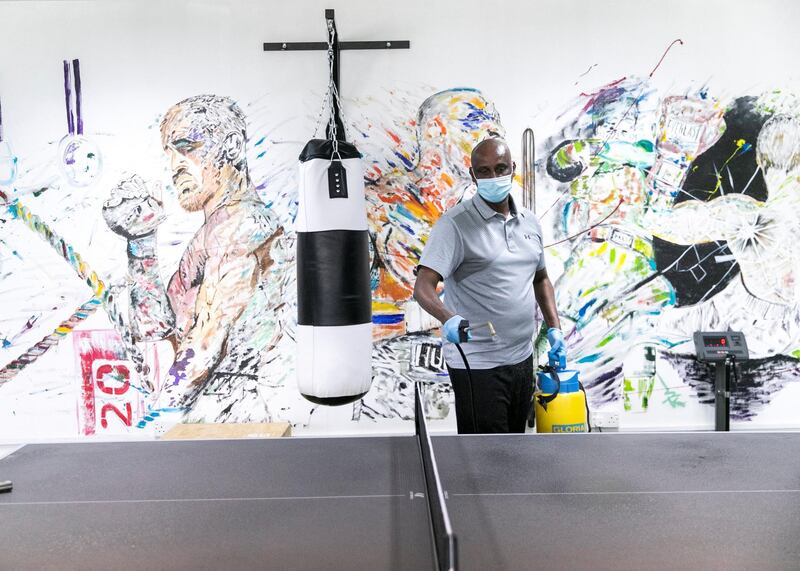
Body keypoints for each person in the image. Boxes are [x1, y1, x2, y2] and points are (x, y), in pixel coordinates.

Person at [103, 95, 291, 423]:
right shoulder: (214, 231)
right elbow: (156, 329)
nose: (175, 165)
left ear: (231, 147)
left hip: (232, 419)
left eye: (187, 147)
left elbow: (203, 349)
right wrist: (141, 242)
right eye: (170, 153)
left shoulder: (239, 223)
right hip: (213, 417)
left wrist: (152, 430)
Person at [413, 137, 564, 433]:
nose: (493, 177)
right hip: (478, 366)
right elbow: (423, 287)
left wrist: (555, 328)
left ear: (513, 169)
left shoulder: (530, 223)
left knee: (514, 450)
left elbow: (541, 278)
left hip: (522, 359)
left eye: (500, 168)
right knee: (485, 461)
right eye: (483, 171)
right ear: (473, 176)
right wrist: (448, 318)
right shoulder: (454, 225)